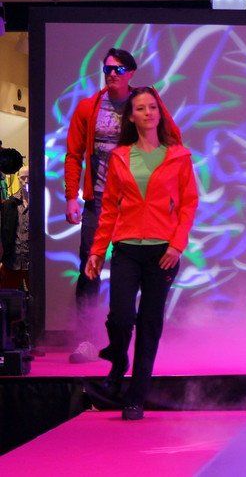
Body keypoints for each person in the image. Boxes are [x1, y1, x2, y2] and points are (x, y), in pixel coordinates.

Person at [84, 87, 198, 421]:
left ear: (160, 113)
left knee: (149, 324)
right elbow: (109, 208)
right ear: (131, 117)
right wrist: (97, 251)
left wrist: (177, 245)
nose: (148, 113)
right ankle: (119, 358)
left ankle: (136, 397)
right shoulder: (120, 156)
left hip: (163, 251)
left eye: (152, 107)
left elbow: (189, 203)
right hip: (127, 248)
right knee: (121, 316)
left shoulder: (178, 155)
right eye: (140, 108)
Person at [64, 48, 180, 363]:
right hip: (99, 200)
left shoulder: (143, 105)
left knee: (143, 268)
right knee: (89, 266)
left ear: (130, 73)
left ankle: (140, 342)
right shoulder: (89, 107)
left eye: (118, 69)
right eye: (107, 69)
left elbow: (173, 141)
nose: (112, 74)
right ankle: (87, 339)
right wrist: (71, 195)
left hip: (137, 204)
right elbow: (74, 154)